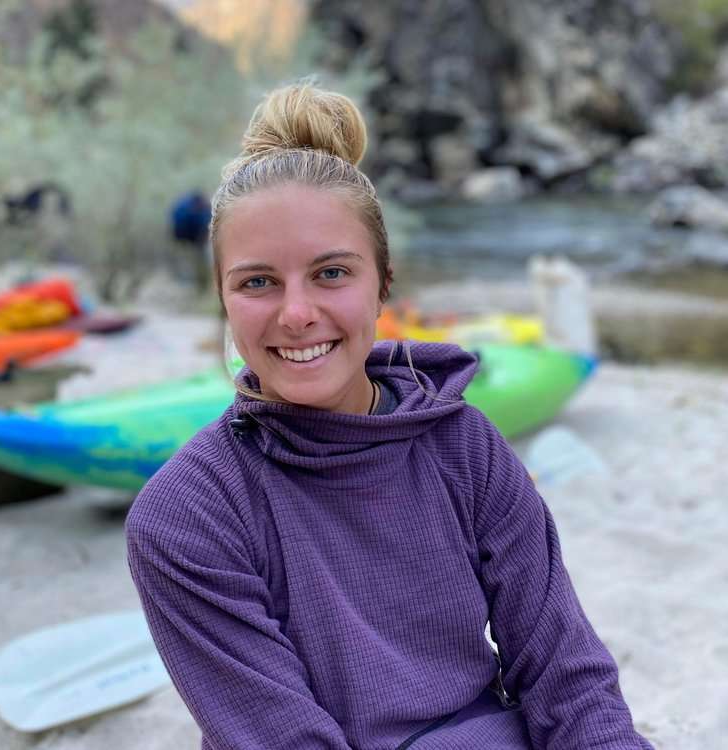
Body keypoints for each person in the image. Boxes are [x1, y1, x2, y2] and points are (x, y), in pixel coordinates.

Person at [126, 82, 654, 749]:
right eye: (258, 281)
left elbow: (566, 678)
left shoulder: (465, 446)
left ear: (384, 282)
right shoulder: (185, 518)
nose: (295, 314)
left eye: (331, 274)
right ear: (224, 297)